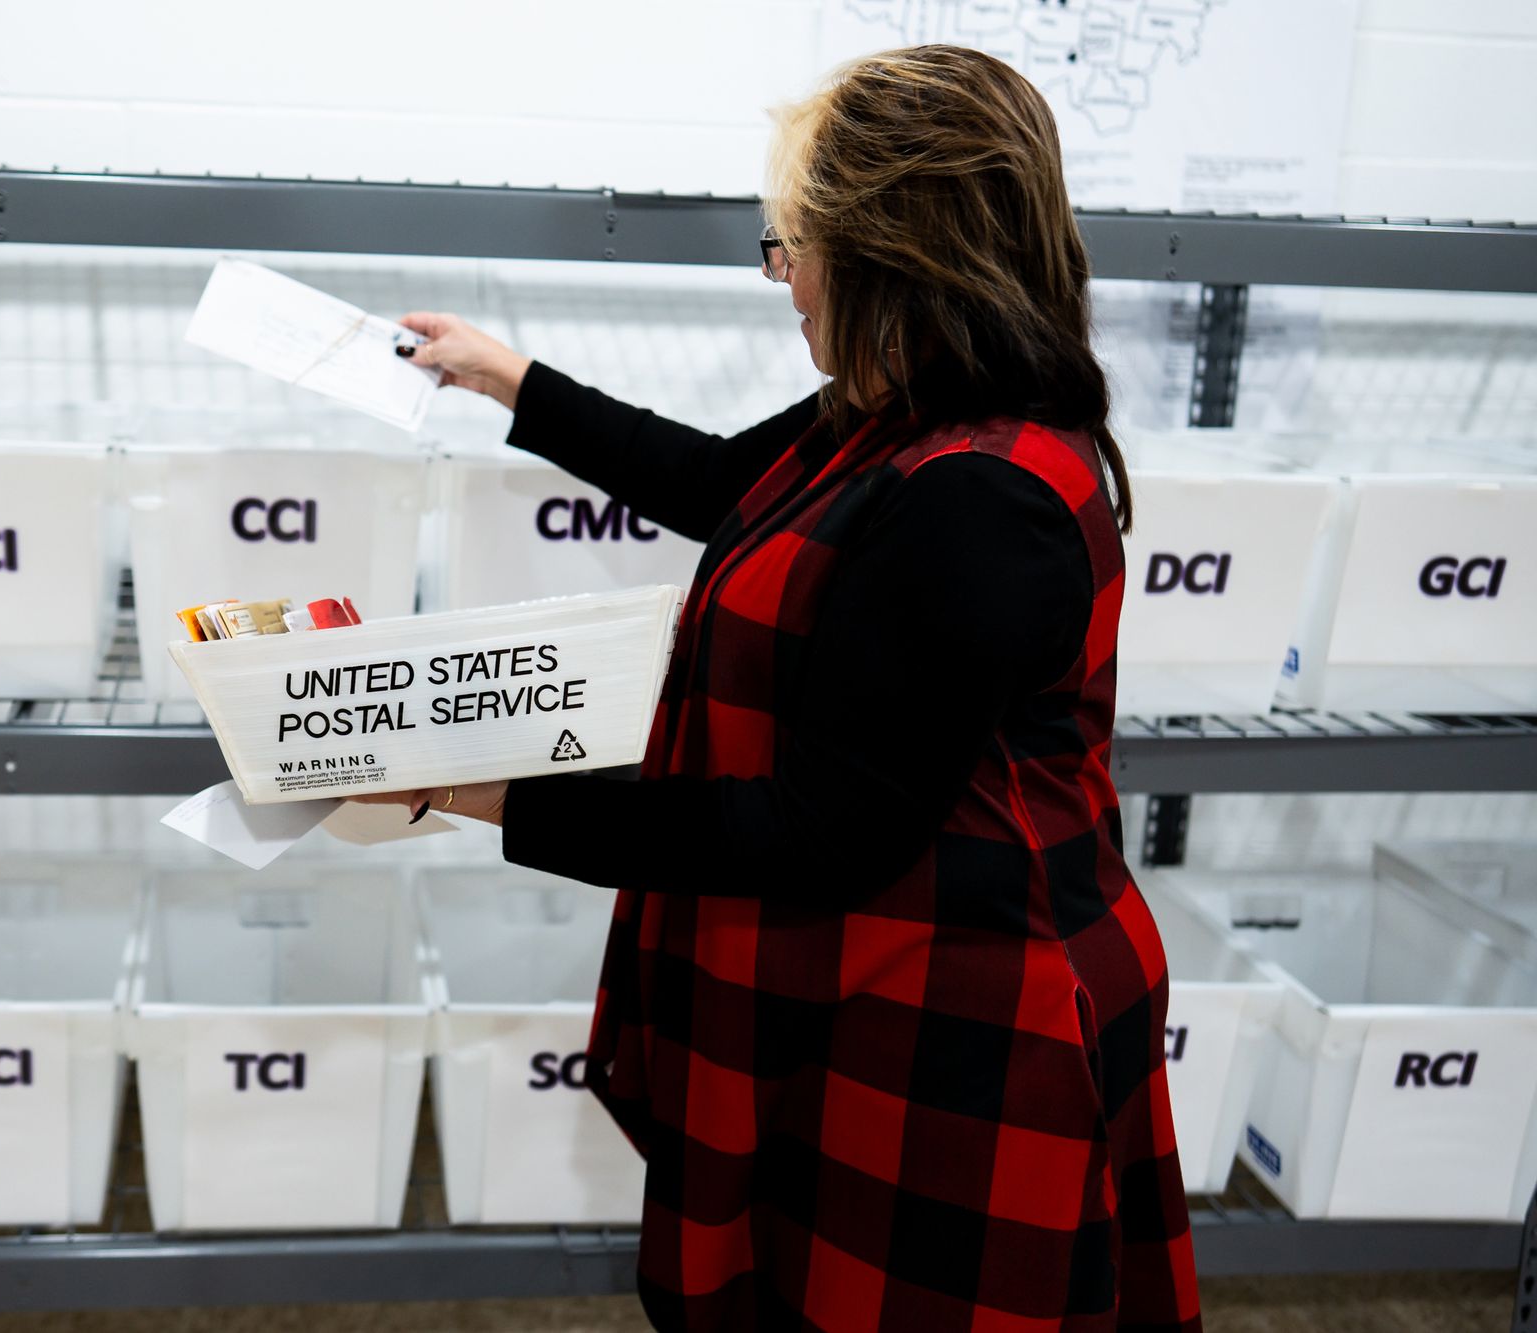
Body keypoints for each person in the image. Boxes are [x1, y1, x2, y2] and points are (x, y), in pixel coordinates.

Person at [358, 45, 1201, 1333]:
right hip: (868, 982)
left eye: (793, 241)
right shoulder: (903, 413)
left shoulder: (978, 494)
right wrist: (510, 382)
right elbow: (721, 487)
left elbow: (817, 830)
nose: (782, 277)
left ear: (896, 252)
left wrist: (484, 791)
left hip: (960, 1032)